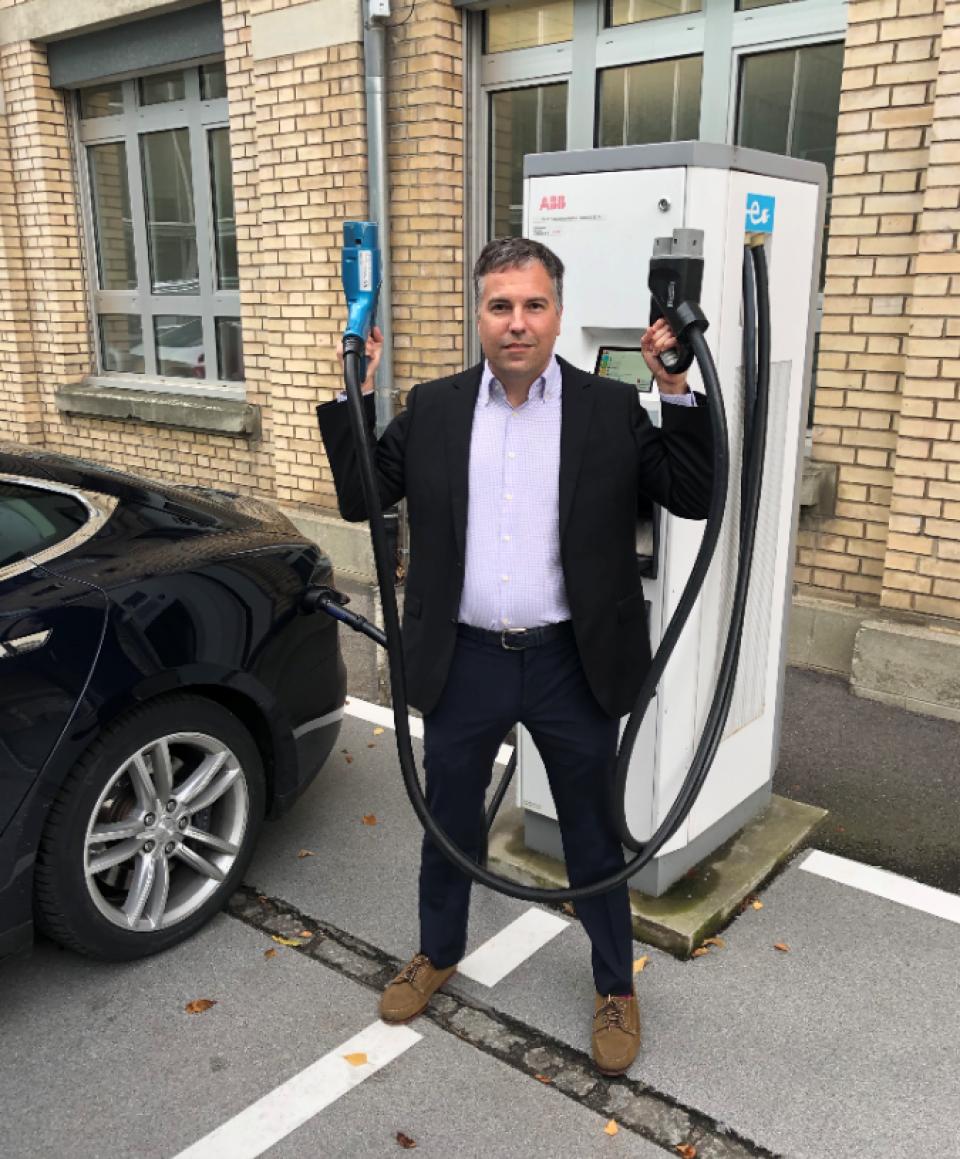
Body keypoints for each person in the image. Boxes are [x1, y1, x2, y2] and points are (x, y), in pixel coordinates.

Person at [316, 237, 713, 1075]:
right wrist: (354, 387)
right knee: (448, 818)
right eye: (501, 306)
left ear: (557, 313)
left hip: (571, 659)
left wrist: (674, 385)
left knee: (592, 833)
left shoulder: (610, 409)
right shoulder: (434, 408)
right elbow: (360, 495)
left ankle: (616, 985)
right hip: (466, 659)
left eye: (533, 305)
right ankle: (437, 950)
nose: (518, 323)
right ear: (480, 315)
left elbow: (695, 492)